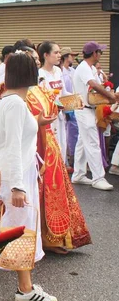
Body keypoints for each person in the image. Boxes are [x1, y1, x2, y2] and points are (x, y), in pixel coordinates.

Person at [0, 52, 57, 301]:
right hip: (17, 175)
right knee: (14, 230)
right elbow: (13, 145)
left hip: (17, 172)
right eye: (35, 65)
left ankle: (25, 287)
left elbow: (1, 140)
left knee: (20, 229)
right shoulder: (16, 103)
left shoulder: (11, 100)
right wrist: (17, 185)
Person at [26, 48, 93, 254]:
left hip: (53, 134)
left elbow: (60, 101)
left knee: (53, 185)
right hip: (35, 143)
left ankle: (54, 236)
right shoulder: (18, 91)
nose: (59, 56)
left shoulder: (50, 81)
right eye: (55, 52)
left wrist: (75, 103)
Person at [72, 41, 118, 191]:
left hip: (88, 109)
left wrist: (111, 93)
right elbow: (95, 85)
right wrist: (111, 97)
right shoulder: (84, 67)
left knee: (82, 142)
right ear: (94, 53)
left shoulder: (90, 68)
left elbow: (101, 86)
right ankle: (98, 177)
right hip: (84, 109)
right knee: (92, 143)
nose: (100, 55)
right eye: (100, 52)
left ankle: (78, 174)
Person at [38, 41, 69, 163]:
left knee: (62, 147)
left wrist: (75, 100)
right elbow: (40, 97)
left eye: (59, 52)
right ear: (46, 55)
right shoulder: (40, 74)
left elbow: (64, 92)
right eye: (55, 52)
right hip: (48, 118)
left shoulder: (58, 71)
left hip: (60, 116)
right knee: (50, 149)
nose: (59, 55)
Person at [60, 47, 79, 168]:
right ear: (66, 57)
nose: (73, 58)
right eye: (71, 55)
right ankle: (67, 158)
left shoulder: (72, 71)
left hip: (74, 103)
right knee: (66, 133)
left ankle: (73, 157)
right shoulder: (60, 72)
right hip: (66, 105)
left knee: (74, 132)